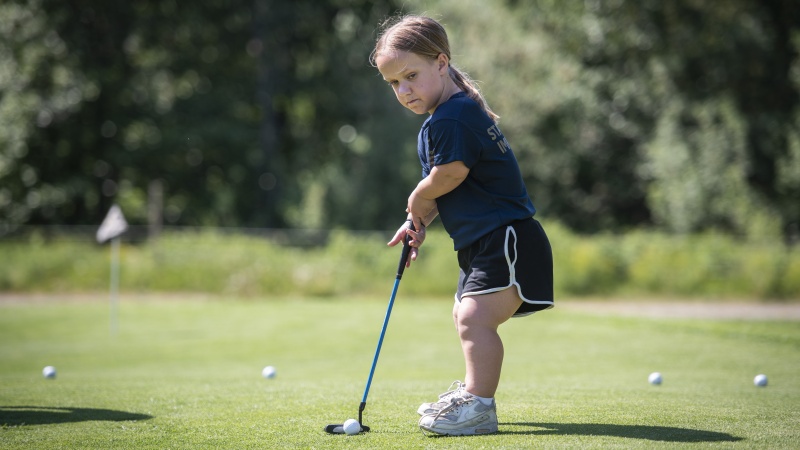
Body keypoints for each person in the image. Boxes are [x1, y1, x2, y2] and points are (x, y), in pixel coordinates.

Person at [371, 15, 554, 436]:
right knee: (464, 316)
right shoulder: (444, 118)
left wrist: (417, 197)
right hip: (485, 239)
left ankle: (479, 405)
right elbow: (448, 191)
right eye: (394, 83)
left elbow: (449, 174)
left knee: (474, 320)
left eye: (411, 76)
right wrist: (417, 221)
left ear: (441, 62)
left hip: (506, 237)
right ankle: (472, 395)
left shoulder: (452, 118)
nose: (404, 91)